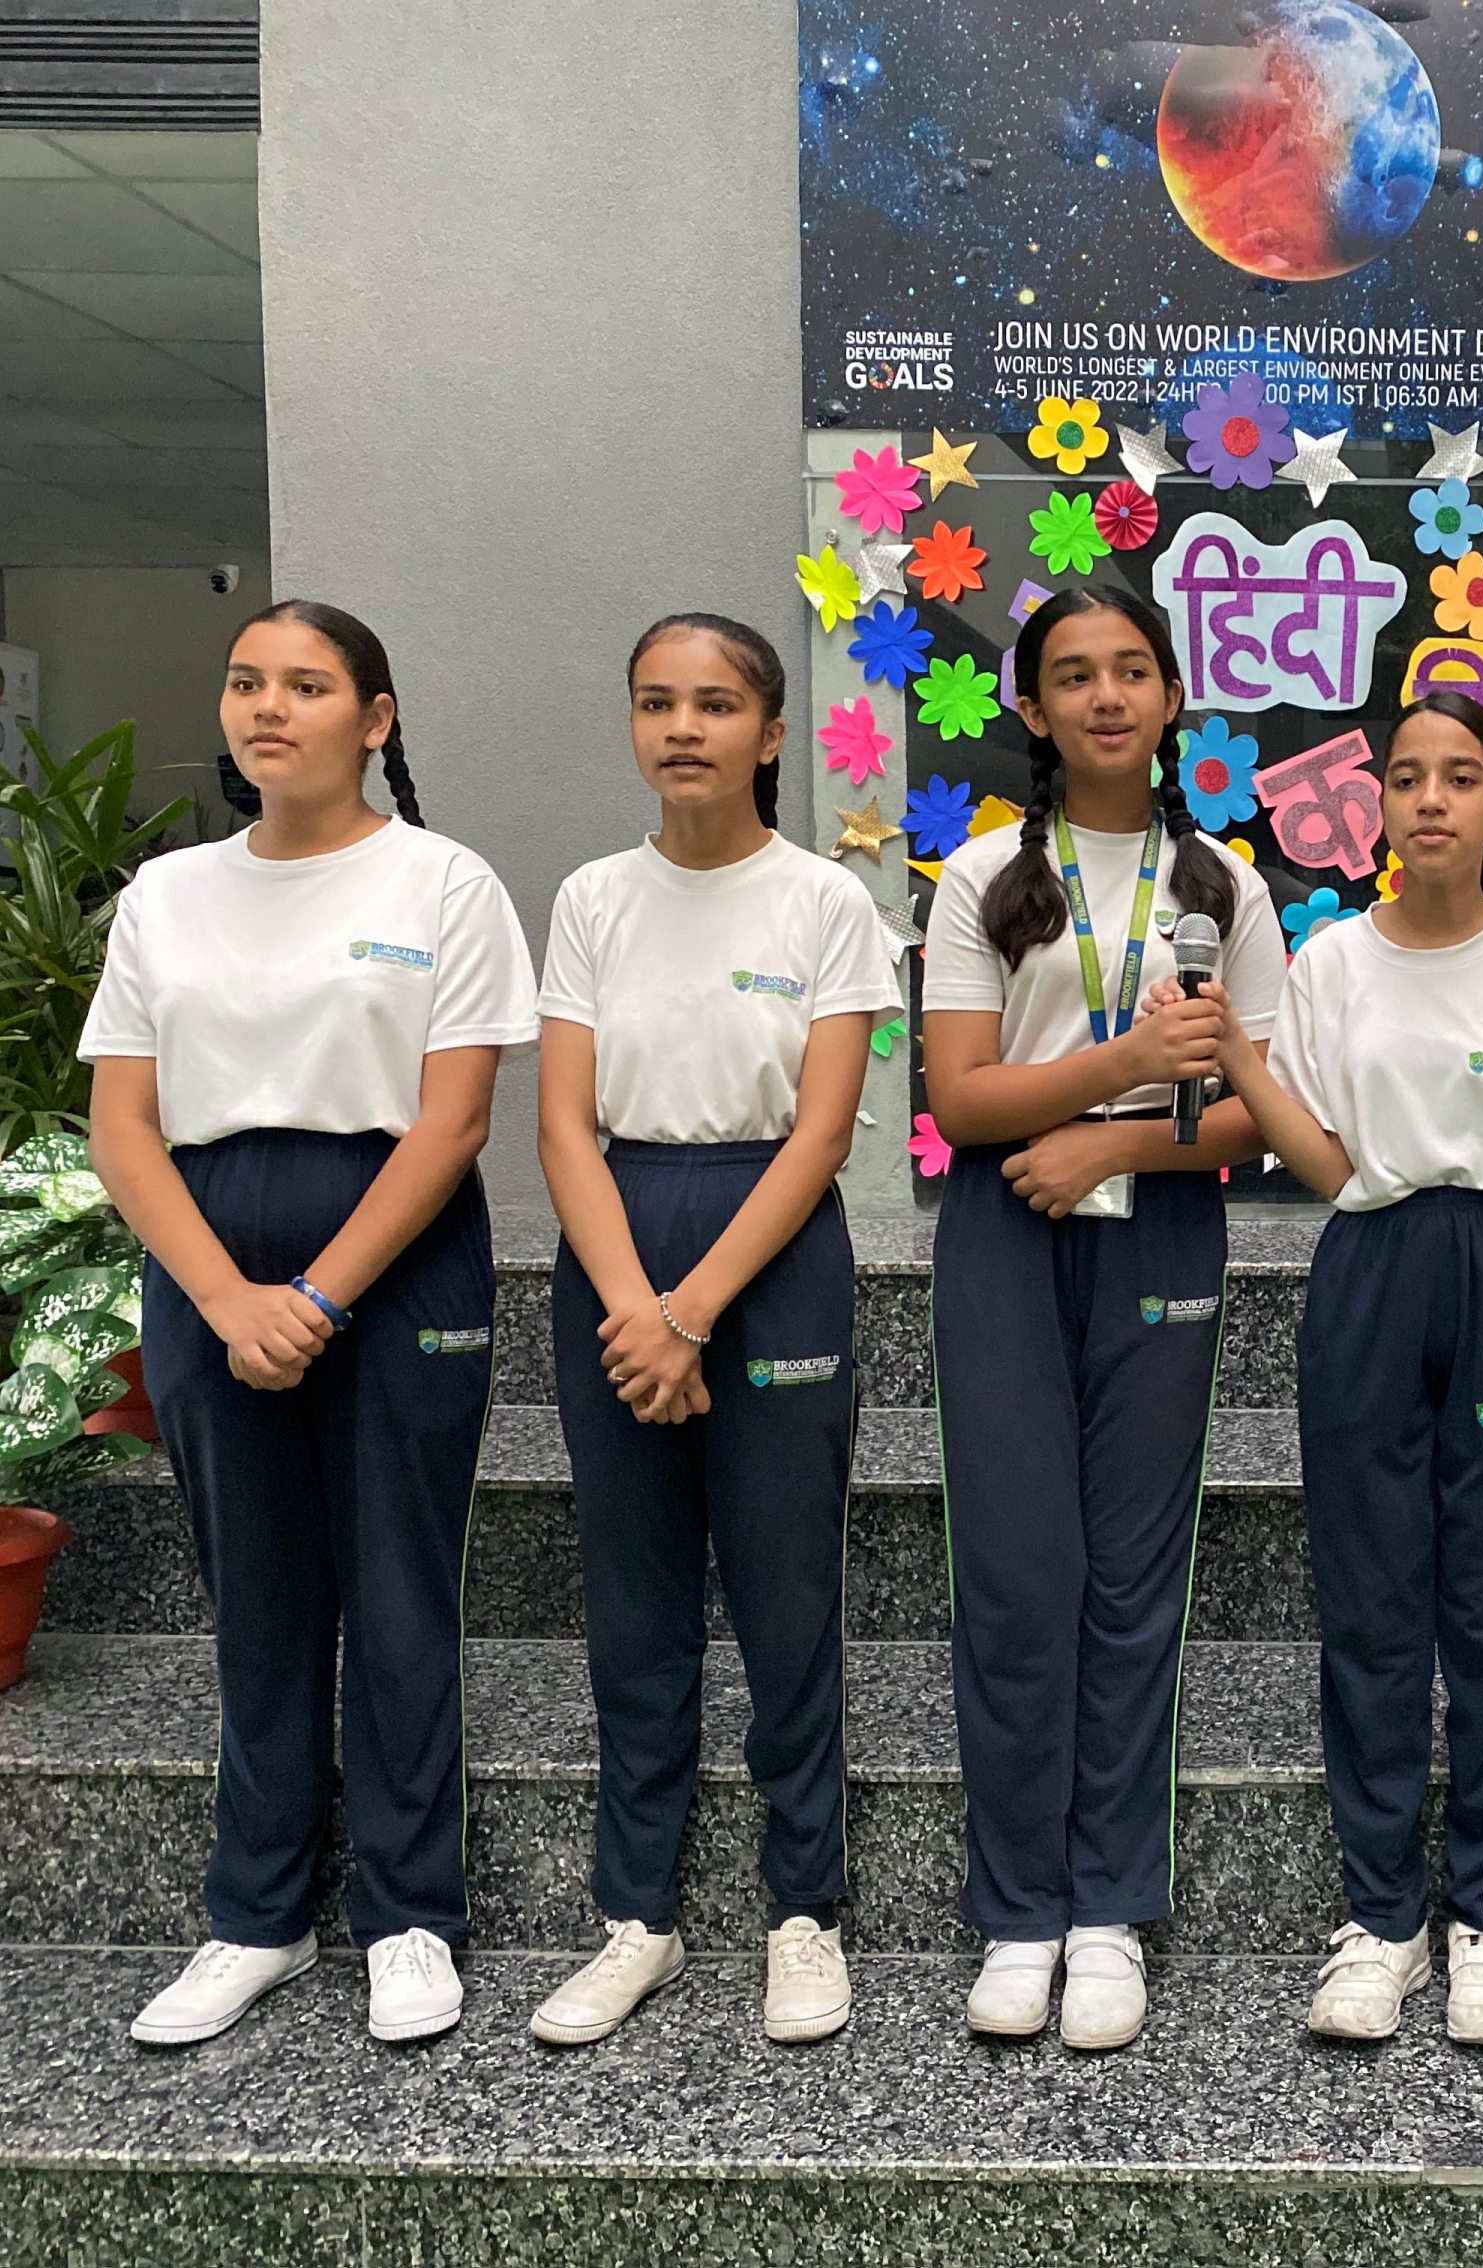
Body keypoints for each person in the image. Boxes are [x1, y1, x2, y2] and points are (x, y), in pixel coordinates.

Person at [87, 601, 538, 2047]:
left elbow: (454, 1120)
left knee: (401, 1591)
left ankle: (410, 1916)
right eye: (245, 683)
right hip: (205, 1251)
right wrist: (226, 1297)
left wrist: (323, 1294)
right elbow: (122, 1126)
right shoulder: (167, 894)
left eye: (305, 684)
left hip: (398, 1254)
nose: (267, 708)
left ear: (375, 718)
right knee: (259, 1598)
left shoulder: (444, 882)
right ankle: (256, 1916)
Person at [1177, 691, 1483, 2047]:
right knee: (1372, 1605)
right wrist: (1240, 1058)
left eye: (1460, 777)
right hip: (1370, 1270)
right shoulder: (1331, 965)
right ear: (1376, 804)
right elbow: (1325, 1161)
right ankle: (1382, 1920)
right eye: (1406, 777)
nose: (1431, 799)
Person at [920, 586, 1284, 2051]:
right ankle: (1019, 1909)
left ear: (1174, 695)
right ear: (1032, 707)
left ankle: (1110, 1910)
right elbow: (961, 1099)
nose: (1107, 697)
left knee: (1135, 1578)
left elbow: (1255, 1115)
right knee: (1019, 1575)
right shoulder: (979, 878)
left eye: (1133, 670)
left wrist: (1112, 1142)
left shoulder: (1226, 886)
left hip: (1163, 1221)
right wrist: (1121, 1068)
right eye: (1073, 676)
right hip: (1005, 1228)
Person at [526, 614, 895, 2050]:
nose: (684, 727)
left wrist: (691, 1313)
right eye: (656, 702)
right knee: (635, 1599)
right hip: (618, 1241)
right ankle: (639, 1915)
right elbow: (563, 1126)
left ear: (772, 733)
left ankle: (804, 1910)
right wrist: (637, 1307)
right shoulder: (591, 899)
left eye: (717, 703)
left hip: (772, 1251)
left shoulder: (825, 902)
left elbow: (821, 1135)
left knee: (787, 1593)